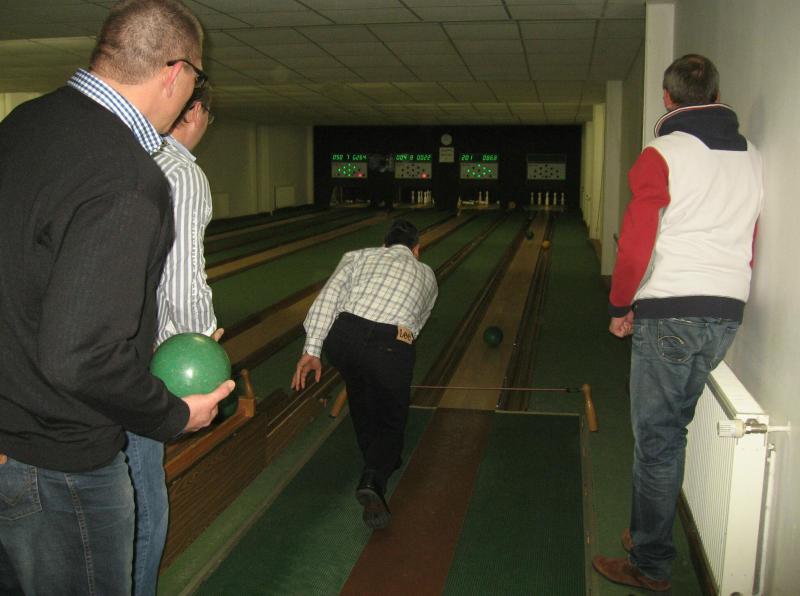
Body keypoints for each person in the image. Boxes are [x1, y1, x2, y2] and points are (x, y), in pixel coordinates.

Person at [0, 1, 234, 594]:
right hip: (64, 460)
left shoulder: (24, 124)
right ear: (176, 73)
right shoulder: (127, 178)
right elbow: (80, 356)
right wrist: (174, 414)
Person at [592, 54, 764, 592]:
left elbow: (637, 241)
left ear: (667, 98)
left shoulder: (661, 153)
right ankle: (648, 533)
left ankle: (650, 564)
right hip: (726, 310)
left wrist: (621, 305)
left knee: (657, 442)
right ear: (716, 93)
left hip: (671, 310)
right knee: (671, 434)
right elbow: (750, 237)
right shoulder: (752, 155)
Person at [125, 84, 220, 595]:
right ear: (197, 110)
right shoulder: (183, 172)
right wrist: (202, 342)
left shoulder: (125, 157)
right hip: (140, 361)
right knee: (144, 506)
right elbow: (182, 276)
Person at [291, 219, 437, 529]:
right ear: (416, 250)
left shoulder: (357, 255)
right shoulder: (428, 275)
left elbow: (328, 299)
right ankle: (374, 476)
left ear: (384, 245)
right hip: (393, 341)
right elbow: (417, 325)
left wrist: (312, 349)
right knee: (392, 416)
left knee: (360, 396)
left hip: (345, 336)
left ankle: (378, 459)